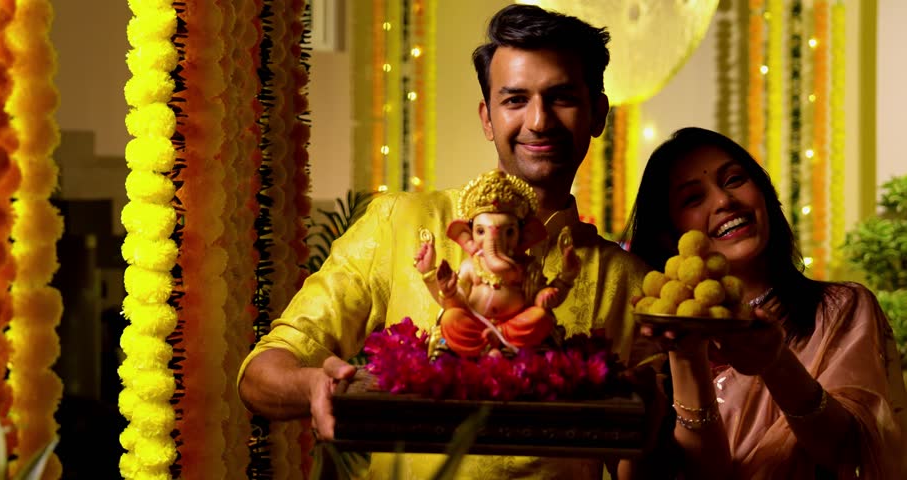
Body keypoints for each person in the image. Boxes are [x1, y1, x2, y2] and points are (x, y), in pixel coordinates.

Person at [239, 4, 654, 479]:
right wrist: (311, 385)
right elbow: (261, 374)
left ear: (597, 113)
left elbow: (656, 456)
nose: (539, 121)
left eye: (561, 98)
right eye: (515, 100)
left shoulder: (630, 282)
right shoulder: (399, 222)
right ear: (487, 117)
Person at [622, 127, 907, 478]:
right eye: (693, 199)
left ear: (764, 193)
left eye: (735, 179)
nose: (725, 201)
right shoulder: (652, 342)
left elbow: (854, 451)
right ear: (669, 235)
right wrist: (686, 356)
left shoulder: (840, 309)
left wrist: (776, 363)